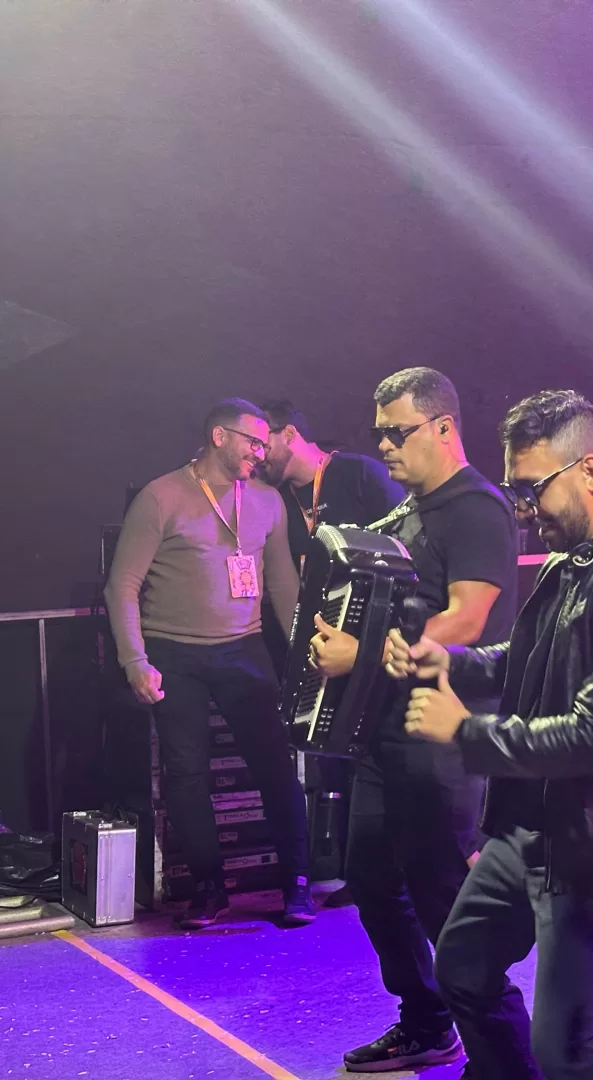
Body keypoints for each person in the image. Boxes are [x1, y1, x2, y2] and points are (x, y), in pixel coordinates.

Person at [389, 389, 593, 1080]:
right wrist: (449, 661)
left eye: (532, 489)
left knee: (570, 1053)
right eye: (515, 490)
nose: (523, 509)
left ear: (589, 470)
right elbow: (526, 660)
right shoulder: (570, 562)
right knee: (462, 970)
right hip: (532, 821)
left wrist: (466, 732)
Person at [314, 367, 519, 1074]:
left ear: (443, 427)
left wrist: (360, 653)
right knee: (371, 878)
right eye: (379, 433)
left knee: (441, 895)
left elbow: (467, 618)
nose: (385, 446)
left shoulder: (476, 508)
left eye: (397, 432)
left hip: (441, 730)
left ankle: (501, 1051)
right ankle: (428, 1021)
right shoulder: (405, 515)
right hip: (385, 728)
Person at [104, 398, 313, 929]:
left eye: (265, 444)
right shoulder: (161, 496)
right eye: (253, 442)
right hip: (174, 651)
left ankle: (296, 882)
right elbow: (122, 586)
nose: (261, 453)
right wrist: (135, 661)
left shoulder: (267, 500)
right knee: (186, 773)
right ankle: (208, 888)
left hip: (244, 647)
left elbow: (284, 584)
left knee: (274, 763)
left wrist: (306, 651)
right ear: (220, 437)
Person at [257, 399, 405, 571]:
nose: (259, 456)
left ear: (289, 434)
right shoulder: (276, 499)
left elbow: (406, 539)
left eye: (263, 445)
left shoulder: (361, 473)